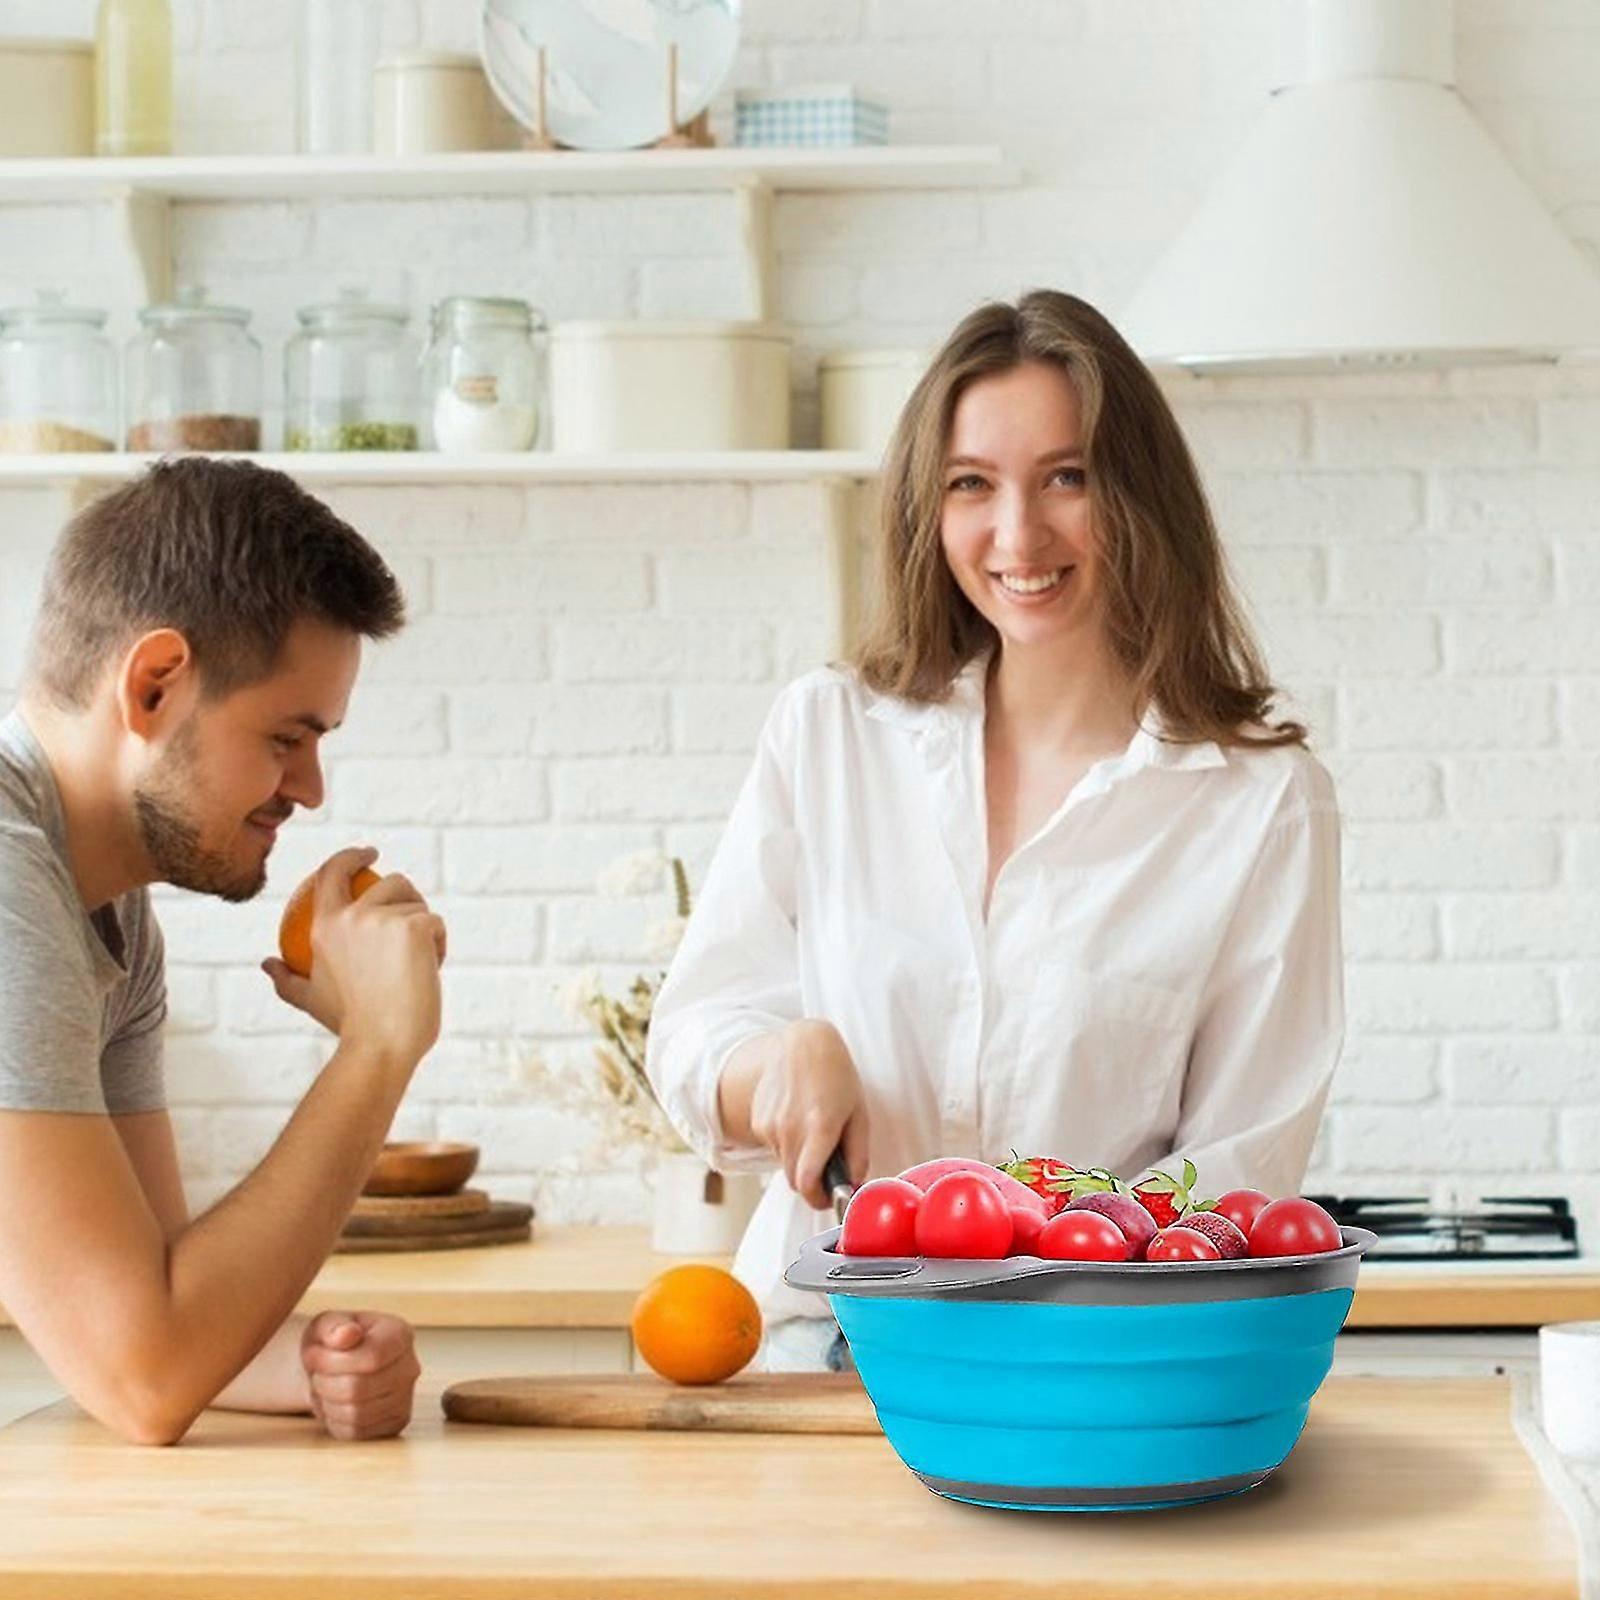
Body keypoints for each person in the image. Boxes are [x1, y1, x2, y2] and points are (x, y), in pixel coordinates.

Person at [645, 290, 1343, 1371]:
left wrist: (1030, 1262)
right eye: (972, 484)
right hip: (817, 1345)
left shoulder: (1258, 802)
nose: (1017, 535)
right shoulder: (832, 732)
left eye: (1067, 477)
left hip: (1087, 1368)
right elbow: (694, 1033)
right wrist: (778, 1058)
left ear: (1139, 497)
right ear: (931, 507)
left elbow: (1240, 1161)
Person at [0, 459, 445, 1444]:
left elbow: (156, 1296)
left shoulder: (107, 917)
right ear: (154, 684)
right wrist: (377, 1048)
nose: (312, 787)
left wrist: (311, 1364)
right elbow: (143, 1375)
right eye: (288, 736)